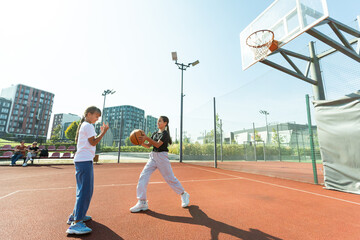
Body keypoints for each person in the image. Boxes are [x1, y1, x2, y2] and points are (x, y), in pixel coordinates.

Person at [130, 116, 190, 213]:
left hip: (162, 157)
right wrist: (139, 142)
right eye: (158, 121)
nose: (158, 122)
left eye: (160, 121)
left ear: (165, 123)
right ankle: (142, 201)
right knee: (143, 176)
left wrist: (146, 137)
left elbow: (157, 144)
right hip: (153, 157)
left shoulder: (165, 134)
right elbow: (149, 145)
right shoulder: (155, 133)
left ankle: (184, 194)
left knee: (170, 179)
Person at [66, 106, 109, 235]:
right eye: (96, 116)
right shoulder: (88, 126)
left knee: (83, 190)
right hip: (84, 161)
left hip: (82, 160)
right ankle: (76, 223)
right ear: (89, 114)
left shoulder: (85, 125)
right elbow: (93, 142)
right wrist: (104, 132)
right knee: (85, 191)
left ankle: (76, 215)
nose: (97, 119)